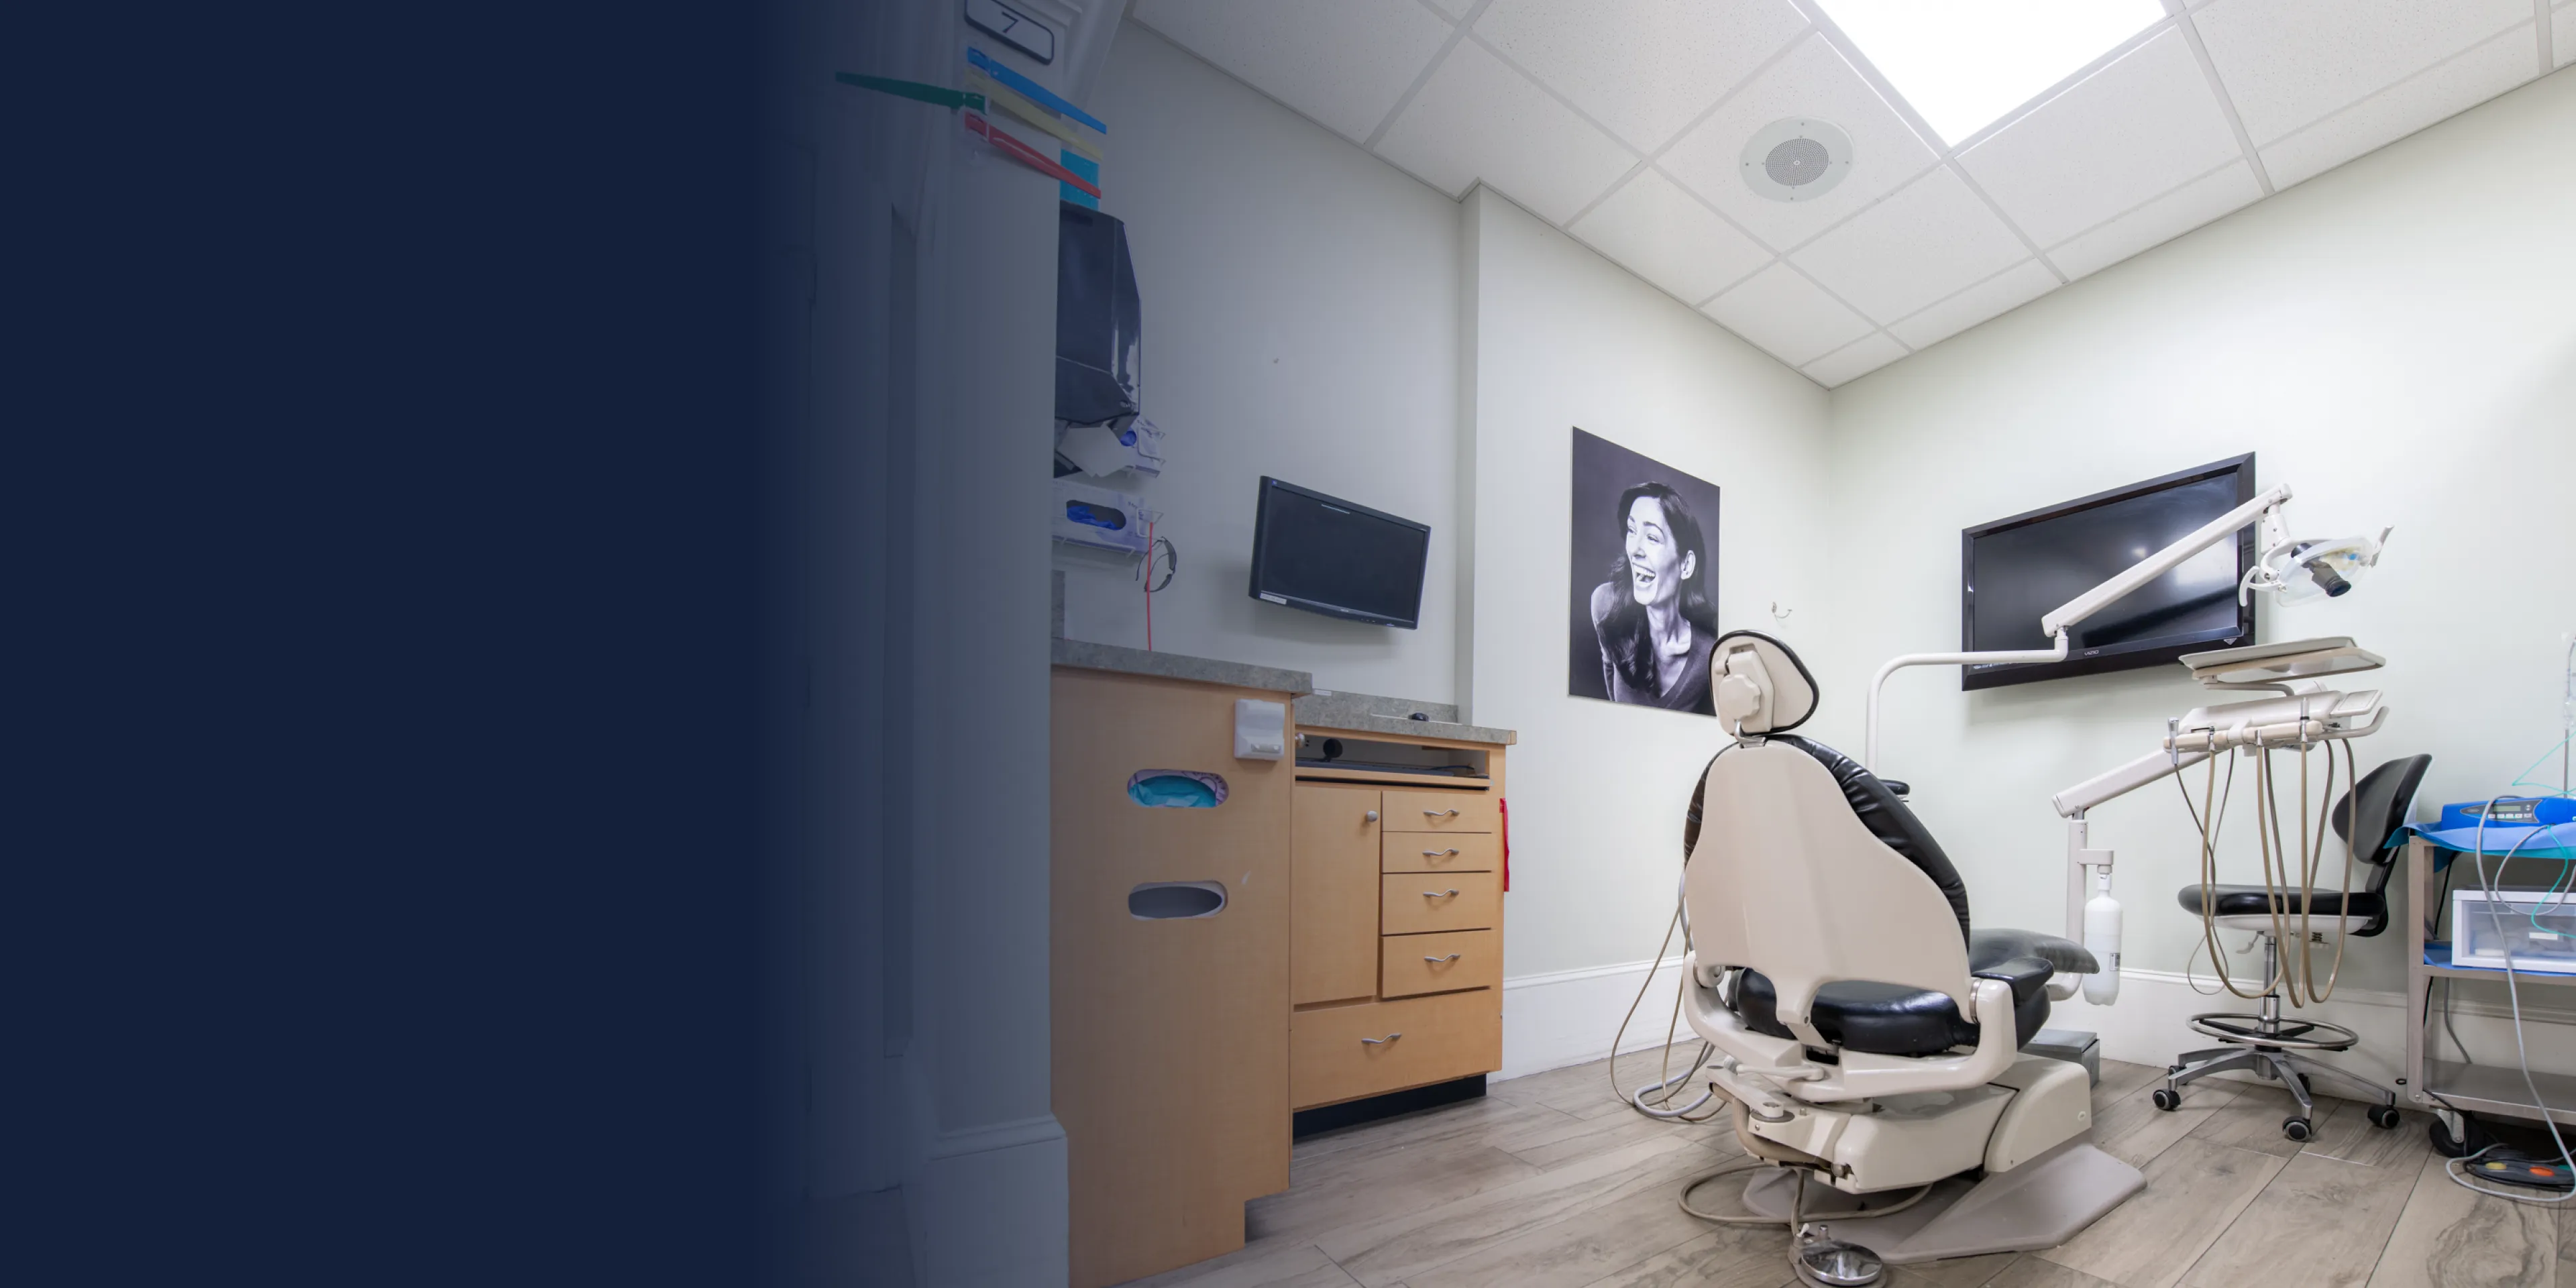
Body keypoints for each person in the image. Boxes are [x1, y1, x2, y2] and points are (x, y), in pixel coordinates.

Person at [1589, 482, 1717, 713]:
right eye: (1632, 531)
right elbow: (1613, 701)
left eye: (1652, 537)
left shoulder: (1708, 656)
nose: (1635, 550)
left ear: (1686, 565)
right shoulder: (1605, 604)